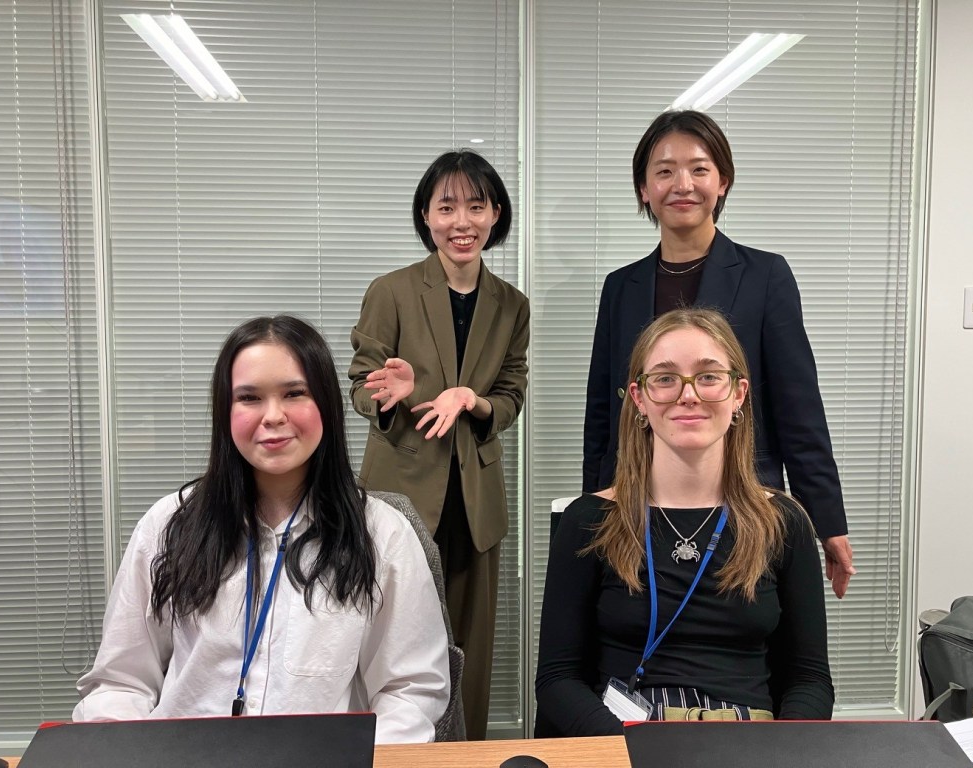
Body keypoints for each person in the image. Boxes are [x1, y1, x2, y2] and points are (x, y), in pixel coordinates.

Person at [73, 315, 449, 744]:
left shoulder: (383, 535)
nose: (273, 416)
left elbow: (410, 691)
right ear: (226, 411)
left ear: (326, 404)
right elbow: (121, 682)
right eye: (249, 398)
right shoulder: (169, 525)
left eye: (294, 393)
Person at [583, 109, 855, 599]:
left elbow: (798, 407)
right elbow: (604, 412)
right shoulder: (621, 287)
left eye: (699, 169)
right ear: (644, 188)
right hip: (640, 505)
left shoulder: (766, 276)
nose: (682, 184)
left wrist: (826, 520)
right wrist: (593, 506)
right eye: (665, 171)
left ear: (723, 181)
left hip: (744, 502)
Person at [537, 307, 834, 736]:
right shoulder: (589, 521)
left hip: (749, 742)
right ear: (639, 398)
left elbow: (810, 679)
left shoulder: (783, 522)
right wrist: (630, 751)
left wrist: (777, 750)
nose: (688, 394)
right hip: (625, 740)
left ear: (738, 394)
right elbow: (557, 679)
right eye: (665, 378)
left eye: (709, 376)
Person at [348, 150, 529, 740]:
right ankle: (393, 752)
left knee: (469, 647)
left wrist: (473, 400)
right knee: (391, 643)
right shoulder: (392, 291)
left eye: (476, 206)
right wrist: (392, 394)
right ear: (426, 216)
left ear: (495, 213)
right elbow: (361, 386)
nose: (462, 222)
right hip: (401, 492)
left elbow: (511, 394)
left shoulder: (511, 303)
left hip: (475, 501)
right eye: (446, 207)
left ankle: (465, 752)